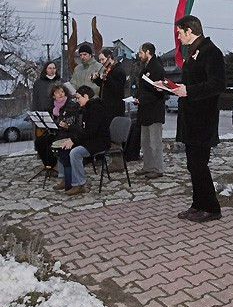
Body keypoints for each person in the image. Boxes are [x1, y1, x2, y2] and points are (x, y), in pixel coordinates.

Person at [171, 15, 226, 222]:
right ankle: (198, 204)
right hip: (191, 119)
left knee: (199, 165)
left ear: (189, 31)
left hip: (203, 119)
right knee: (192, 165)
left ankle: (212, 208)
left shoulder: (211, 52)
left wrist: (188, 91)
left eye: (179, 32)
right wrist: (175, 88)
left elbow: (218, 84)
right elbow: (192, 82)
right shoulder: (194, 51)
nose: (178, 36)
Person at [55, 85, 111, 195]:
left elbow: (90, 131)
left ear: (86, 96)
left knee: (75, 153)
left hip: (100, 141)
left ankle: (79, 184)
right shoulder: (87, 108)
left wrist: (74, 140)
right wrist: (72, 138)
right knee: (63, 146)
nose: (77, 100)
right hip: (91, 138)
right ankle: (65, 179)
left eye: (78, 98)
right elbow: (83, 130)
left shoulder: (96, 108)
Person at [133, 42, 165, 179]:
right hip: (144, 111)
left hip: (154, 110)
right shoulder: (144, 68)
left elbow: (158, 92)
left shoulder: (157, 68)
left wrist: (142, 99)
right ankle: (148, 166)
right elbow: (143, 88)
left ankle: (157, 168)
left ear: (148, 52)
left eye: (141, 52)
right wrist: (136, 97)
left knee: (155, 142)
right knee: (145, 142)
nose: (139, 55)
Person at [92, 49, 127, 173]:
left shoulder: (119, 71)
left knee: (115, 136)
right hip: (107, 107)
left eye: (102, 59)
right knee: (109, 135)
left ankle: (118, 162)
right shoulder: (108, 70)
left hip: (115, 108)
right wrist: (96, 79)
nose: (101, 62)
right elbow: (104, 86)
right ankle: (114, 160)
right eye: (100, 60)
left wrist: (106, 79)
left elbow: (117, 88)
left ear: (109, 57)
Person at [35, 83, 79, 169]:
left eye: (62, 92)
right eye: (57, 92)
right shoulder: (52, 106)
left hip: (67, 132)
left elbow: (72, 122)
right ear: (53, 96)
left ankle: (55, 165)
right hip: (56, 131)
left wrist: (59, 123)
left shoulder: (71, 105)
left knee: (53, 143)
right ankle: (50, 165)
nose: (60, 94)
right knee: (40, 142)